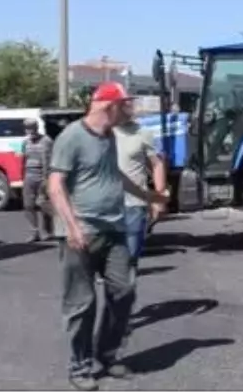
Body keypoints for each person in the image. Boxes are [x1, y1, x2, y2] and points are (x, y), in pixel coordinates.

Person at [47, 82, 169, 391]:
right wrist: (72, 227)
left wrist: (150, 196)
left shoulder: (111, 137)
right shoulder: (71, 137)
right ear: (108, 106)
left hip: (114, 228)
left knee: (124, 290)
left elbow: (115, 177)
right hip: (82, 232)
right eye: (125, 104)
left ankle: (107, 352)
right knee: (81, 303)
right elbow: (55, 185)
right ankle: (80, 366)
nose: (129, 109)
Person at [113, 100, 170, 271]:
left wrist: (159, 197)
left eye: (126, 108)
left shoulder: (144, 134)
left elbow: (157, 164)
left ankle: (126, 278)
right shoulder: (104, 133)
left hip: (135, 203)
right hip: (106, 203)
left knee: (131, 253)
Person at [20, 117, 54, 242]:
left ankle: (47, 231)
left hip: (43, 177)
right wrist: (22, 177)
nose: (31, 131)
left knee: (43, 205)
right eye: (28, 128)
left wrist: (47, 180)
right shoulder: (25, 143)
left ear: (37, 128)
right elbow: (23, 160)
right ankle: (34, 232)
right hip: (29, 176)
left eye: (32, 127)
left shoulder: (46, 141)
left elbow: (50, 161)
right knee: (28, 205)